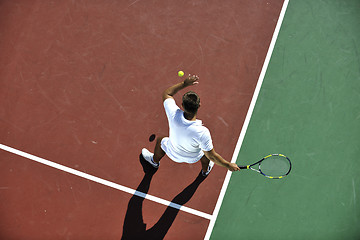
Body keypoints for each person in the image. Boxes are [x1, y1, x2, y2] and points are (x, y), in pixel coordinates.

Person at [142, 74, 240, 176]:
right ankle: (205, 171)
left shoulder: (174, 114)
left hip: (173, 153)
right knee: (206, 151)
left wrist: (184, 83)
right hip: (193, 158)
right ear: (199, 106)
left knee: (160, 140)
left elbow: (167, 94)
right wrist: (228, 165)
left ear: (182, 105)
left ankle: (154, 161)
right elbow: (212, 156)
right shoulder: (203, 132)